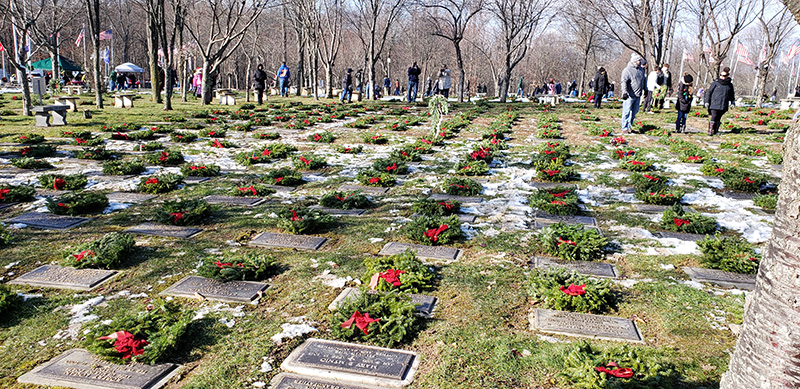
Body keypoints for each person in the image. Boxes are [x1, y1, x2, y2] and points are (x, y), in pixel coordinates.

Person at [704, 67, 736, 136]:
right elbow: (709, 92)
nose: (722, 77)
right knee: (714, 116)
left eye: (724, 76)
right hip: (714, 103)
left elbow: (732, 95)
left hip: (723, 104)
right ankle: (710, 130)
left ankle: (716, 130)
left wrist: (732, 103)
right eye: (721, 75)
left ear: (727, 76)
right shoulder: (716, 83)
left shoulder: (729, 85)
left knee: (718, 118)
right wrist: (706, 101)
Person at [620, 53, 647, 133]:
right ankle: (624, 128)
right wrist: (624, 92)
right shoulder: (627, 70)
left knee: (634, 112)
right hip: (629, 95)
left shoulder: (641, 70)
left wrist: (645, 89)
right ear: (635, 61)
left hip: (638, 95)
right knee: (626, 112)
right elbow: (623, 82)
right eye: (639, 60)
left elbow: (644, 80)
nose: (640, 61)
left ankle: (629, 126)